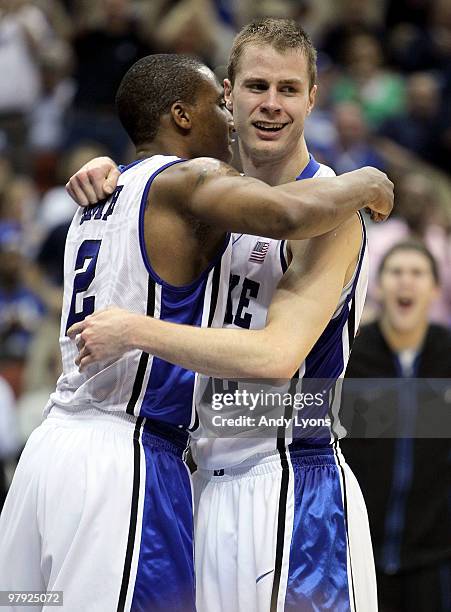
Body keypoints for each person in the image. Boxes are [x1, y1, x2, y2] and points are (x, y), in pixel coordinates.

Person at [0, 49, 392, 612]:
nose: (243, 114)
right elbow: (282, 213)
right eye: (241, 94)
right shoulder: (192, 186)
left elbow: (279, 354)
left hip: (261, 478)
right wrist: (370, 181)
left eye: (288, 88)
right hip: (144, 465)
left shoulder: (114, 192)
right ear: (204, 106)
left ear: (312, 97)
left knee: (27, 602)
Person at [340, 242, 451, 612]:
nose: (406, 282)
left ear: (435, 289)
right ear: (379, 286)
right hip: (356, 554)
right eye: (396, 272)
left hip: (434, 561)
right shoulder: (348, 356)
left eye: (417, 273)